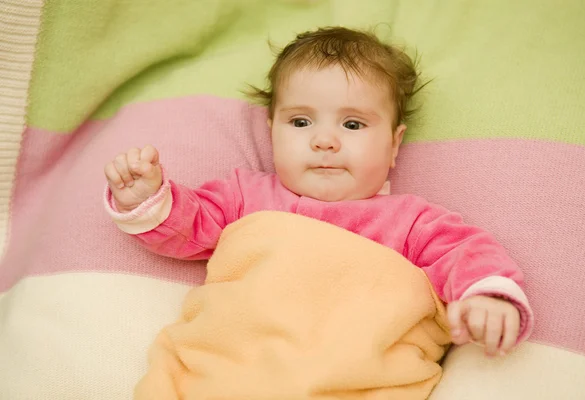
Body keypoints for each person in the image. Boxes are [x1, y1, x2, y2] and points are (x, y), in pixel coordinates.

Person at [103, 27, 533, 357]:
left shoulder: (410, 221)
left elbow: (464, 253)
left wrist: (487, 297)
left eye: (352, 124)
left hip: (358, 368)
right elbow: (188, 226)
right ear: (271, 132)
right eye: (301, 122)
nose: (324, 141)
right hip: (239, 360)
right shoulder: (243, 197)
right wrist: (145, 196)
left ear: (394, 143)